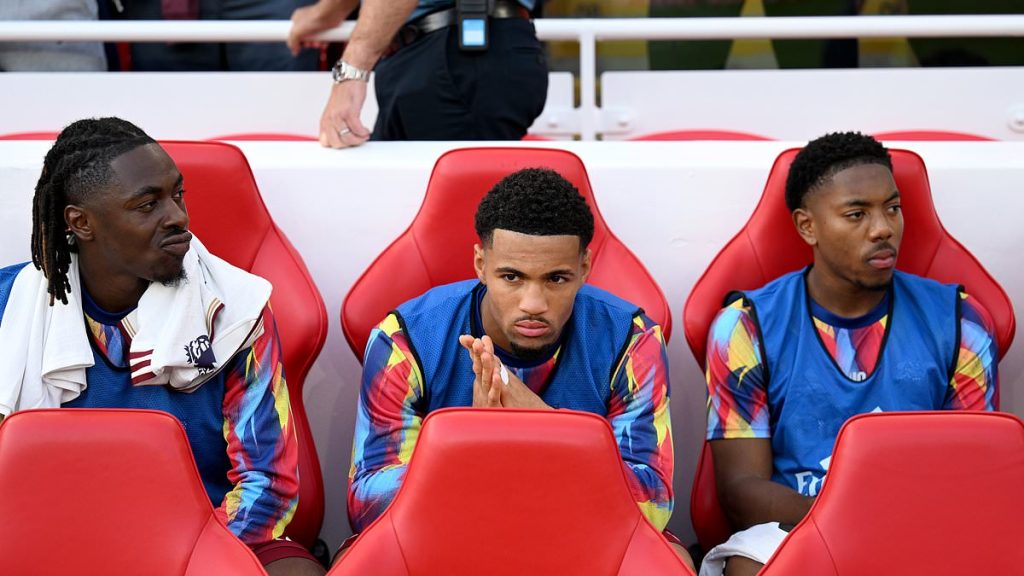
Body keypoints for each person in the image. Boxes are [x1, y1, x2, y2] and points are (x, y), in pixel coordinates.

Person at [0, 118, 325, 576]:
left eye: (178, 195)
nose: (177, 217)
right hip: (47, 539)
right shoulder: (9, 309)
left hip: (208, 541)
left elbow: (268, 484)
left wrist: (179, 556)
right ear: (81, 222)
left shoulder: (237, 311)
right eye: (148, 204)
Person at [346, 168, 690, 566]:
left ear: (584, 268)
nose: (533, 304)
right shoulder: (405, 340)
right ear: (480, 264)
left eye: (556, 279)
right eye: (511, 277)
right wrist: (475, 448)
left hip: (584, 536)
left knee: (671, 560)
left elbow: (652, 505)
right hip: (445, 533)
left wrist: (544, 426)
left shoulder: (632, 340)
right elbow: (366, 506)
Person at [700, 132, 998, 576]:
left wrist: (900, 528)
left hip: (925, 525)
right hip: (796, 527)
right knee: (747, 568)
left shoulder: (961, 322)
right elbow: (741, 490)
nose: (883, 229)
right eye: (857, 214)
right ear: (808, 226)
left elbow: (975, 474)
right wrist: (855, 520)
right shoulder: (745, 326)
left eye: (892, 208)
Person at [287, 0, 548, 148]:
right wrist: (323, 14)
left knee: (455, 216)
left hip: (459, 54)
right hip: (444, 55)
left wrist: (351, 72)